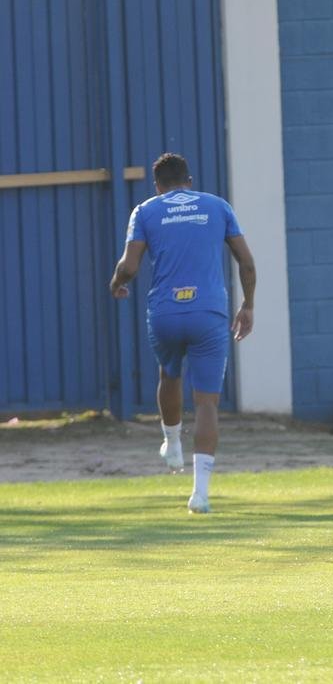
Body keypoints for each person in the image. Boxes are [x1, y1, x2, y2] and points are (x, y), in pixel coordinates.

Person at [109, 153, 256, 514]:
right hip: (208, 312)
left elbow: (129, 266)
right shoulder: (217, 206)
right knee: (206, 402)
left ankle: (171, 442)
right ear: (188, 180)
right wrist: (248, 305)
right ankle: (200, 494)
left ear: (157, 185)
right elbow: (246, 262)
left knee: (168, 373)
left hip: (166, 312)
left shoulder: (145, 210)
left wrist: (116, 283)